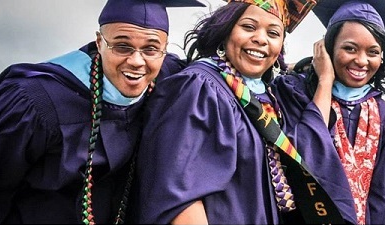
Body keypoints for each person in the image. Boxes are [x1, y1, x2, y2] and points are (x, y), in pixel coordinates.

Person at [0, 0, 201, 223]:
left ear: (164, 50)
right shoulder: (35, 102)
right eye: (122, 46)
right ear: (99, 43)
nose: (137, 61)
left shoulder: (166, 78)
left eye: (150, 49)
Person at [134, 1, 348, 223]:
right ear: (225, 30)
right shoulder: (200, 87)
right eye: (248, 27)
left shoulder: (267, 97)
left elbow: (310, 141)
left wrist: (325, 79)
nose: (261, 39)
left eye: (273, 33)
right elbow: (178, 192)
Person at [286, 0, 385, 223]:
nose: (362, 61)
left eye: (373, 51)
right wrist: (325, 80)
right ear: (327, 47)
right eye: (350, 48)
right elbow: (304, 155)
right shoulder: (296, 93)